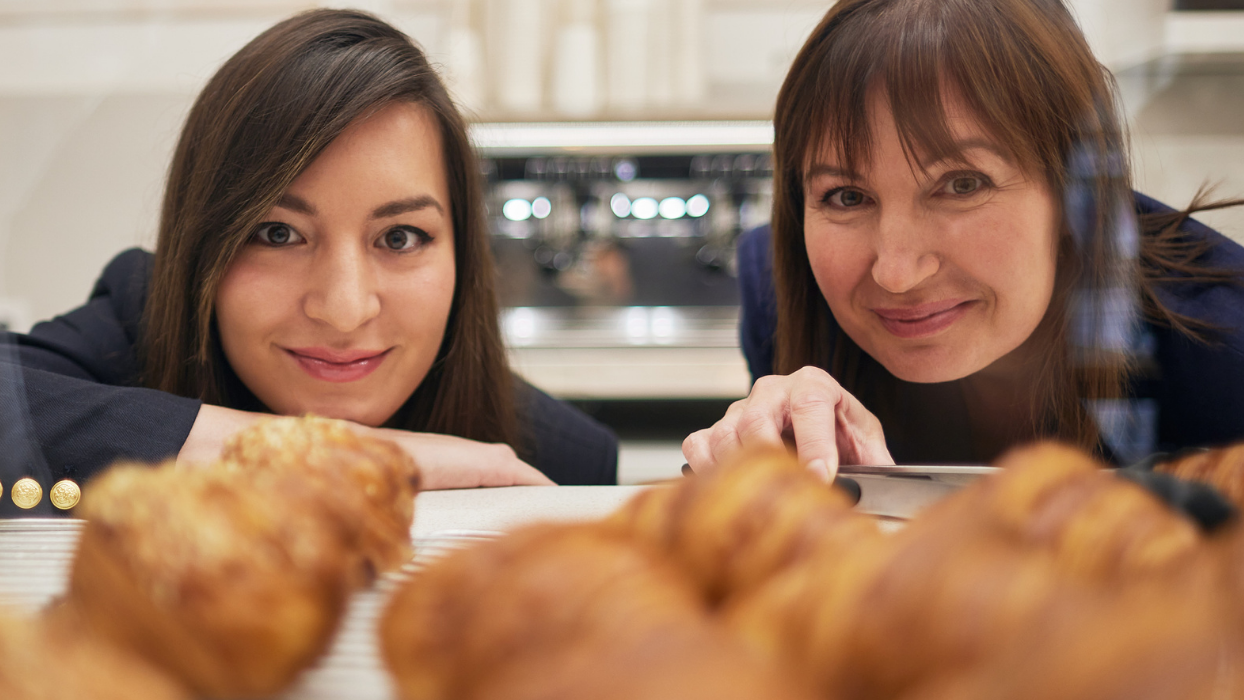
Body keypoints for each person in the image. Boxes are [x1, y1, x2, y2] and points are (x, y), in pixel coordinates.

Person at [2, 9, 616, 511]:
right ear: (201, 248)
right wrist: (329, 455)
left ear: (463, 254)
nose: (344, 310)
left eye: (400, 238)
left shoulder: (560, 462)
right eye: (277, 234)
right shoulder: (137, 317)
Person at [684, 0, 1244, 478]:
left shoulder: (1225, 349)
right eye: (847, 196)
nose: (896, 272)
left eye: (962, 185)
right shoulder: (782, 290)